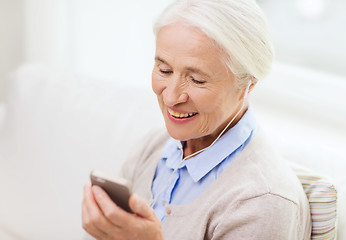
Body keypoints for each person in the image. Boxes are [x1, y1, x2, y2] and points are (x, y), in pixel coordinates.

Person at [82, 0, 312, 239]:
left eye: (197, 80)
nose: (170, 97)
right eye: (164, 70)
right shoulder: (156, 146)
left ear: (247, 85)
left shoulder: (263, 203)